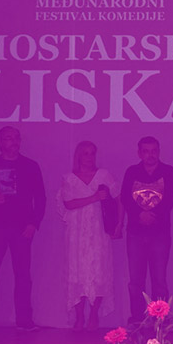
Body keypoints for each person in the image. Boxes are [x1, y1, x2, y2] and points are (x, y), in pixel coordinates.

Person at [0, 126, 45, 332]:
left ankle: (24, 320)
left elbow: (40, 198)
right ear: (0, 142)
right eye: (8, 138)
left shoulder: (30, 166)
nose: (13, 141)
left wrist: (33, 223)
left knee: (23, 275)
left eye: (16, 138)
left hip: (22, 228)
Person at [56, 141, 121, 331]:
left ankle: (93, 315)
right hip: (77, 233)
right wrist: (94, 198)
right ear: (78, 156)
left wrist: (118, 224)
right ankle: (79, 316)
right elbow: (68, 203)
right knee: (77, 272)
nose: (89, 157)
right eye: (85, 153)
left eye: (92, 153)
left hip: (99, 231)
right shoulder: (69, 178)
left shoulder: (104, 175)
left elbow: (119, 199)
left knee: (98, 272)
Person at [120, 136, 173, 324]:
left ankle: (160, 321)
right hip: (135, 233)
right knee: (135, 281)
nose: (150, 155)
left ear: (159, 152)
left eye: (154, 151)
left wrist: (152, 215)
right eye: (146, 151)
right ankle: (138, 320)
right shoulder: (132, 172)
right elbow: (125, 198)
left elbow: (171, 198)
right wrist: (140, 214)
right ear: (139, 153)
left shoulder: (169, 172)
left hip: (160, 232)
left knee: (159, 280)